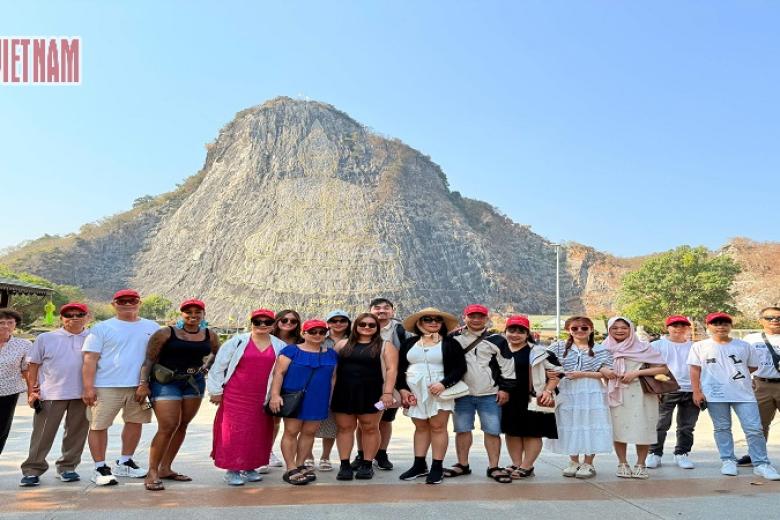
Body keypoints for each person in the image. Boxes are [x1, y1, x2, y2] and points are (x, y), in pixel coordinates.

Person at [138, 299, 220, 491]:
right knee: (168, 426)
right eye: (188, 312)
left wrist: (205, 367)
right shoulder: (166, 333)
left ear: (203, 314)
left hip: (193, 382)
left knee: (182, 424)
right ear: (181, 314)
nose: (193, 315)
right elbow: (149, 359)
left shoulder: (210, 335)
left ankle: (165, 468)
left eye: (197, 312)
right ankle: (152, 471)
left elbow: (217, 354)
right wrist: (143, 384)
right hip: (166, 381)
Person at [688, 312, 780, 480]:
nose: (721, 327)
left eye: (725, 323)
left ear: (731, 326)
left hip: (743, 394)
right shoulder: (700, 346)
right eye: (716, 323)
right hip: (715, 394)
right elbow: (695, 369)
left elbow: (752, 367)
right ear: (708, 326)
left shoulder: (744, 345)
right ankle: (728, 460)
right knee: (722, 428)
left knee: (754, 428)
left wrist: (734, 377)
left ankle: (761, 463)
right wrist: (697, 391)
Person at [81, 290, 159, 486]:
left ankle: (125, 462)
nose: (127, 304)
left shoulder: (152, 327)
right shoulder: (102, 328)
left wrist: (147, 383)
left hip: (139, 386)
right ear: (114, 304)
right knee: (98, 425)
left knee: (135, 422)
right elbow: (90, 359)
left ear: (139, 302)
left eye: (132, 300)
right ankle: (100, 467)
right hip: (106, 385)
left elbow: (158, 356)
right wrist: (88, 388)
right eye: (122, 301)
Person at [209, 309, 286, 486]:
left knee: (258, 432)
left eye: (267, 322)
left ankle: (250, 466)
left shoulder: (280, 346)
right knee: (234, 433)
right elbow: (219, 366)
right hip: (235, 395)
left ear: (273, 325)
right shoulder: (237, 342)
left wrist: (276, 395)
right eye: (257, 322)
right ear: (251, 323)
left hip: (262, 396)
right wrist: (215, 391)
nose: (262, 325)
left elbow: (281, 372)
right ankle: (232, 469)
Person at [20, 303, 90, 487]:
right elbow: (33, 364)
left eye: (79, 314)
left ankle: (67, 467)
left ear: (87, 317)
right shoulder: (46, 338)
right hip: (50, 393)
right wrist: (32, 391)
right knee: (42, 434)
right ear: (61, 318)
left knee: (76, 434)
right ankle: (32, 470)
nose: (74, 318)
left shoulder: (94, 338)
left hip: (83, 394)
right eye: (69, 315)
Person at [444, 304, 516, 484]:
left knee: (492, 431)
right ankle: (462, 464)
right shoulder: (454, 337)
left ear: (486, 319)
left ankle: (493, 467)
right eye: (472, 316)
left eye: (480, 317)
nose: (476, 320)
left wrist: (505, 389)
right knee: (462, 430)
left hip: (490, 393)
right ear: (465, 317)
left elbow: (507, 366)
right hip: (461, 393)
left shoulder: (497, 340)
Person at [396, 307, 465, 484]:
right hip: (415, 391)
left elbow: (459, 368)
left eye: (437, 319)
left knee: (438, 426)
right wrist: (403, 389)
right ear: (419, 323)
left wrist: (443, 384)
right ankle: (419, 464)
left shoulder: (450, 343)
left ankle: (437, 466)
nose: (433, 322)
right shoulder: (409, 343)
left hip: (440, 389)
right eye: (428, 319)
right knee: (420, 426)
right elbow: (400, 368)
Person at [268, 319, 339, 485]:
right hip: (294, 397)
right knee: (291, 431)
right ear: (303, 333)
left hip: (319, 398)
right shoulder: (291, 351)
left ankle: (300, 464)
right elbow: (278, 373)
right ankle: (290, 467)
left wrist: (330, 399)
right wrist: (275, 395)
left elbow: (333, 378)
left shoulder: (331, 354)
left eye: (321, 332)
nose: (317, 335)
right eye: (312, 331)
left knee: (309, 432)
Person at [332, 312, 399, 481]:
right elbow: (333, 371)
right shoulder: (342, 345)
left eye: (371, 325)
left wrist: (387, 393)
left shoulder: (386, 346)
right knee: (345, 428)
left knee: (370, 428)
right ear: (356, 326)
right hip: (343, 391)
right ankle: (344, 465)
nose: (366, 327)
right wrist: (329, 393)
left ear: (377, 327)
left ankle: (367, 464)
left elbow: (392, 370)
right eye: (362, 324)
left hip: (373, 393)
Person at [546, 316, 614, 479]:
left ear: (591, 329)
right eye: (574, 328)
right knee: (569, 423)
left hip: (591, 389)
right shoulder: (557, 347)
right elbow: (544, 364)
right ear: (568, 330)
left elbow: (607, 373)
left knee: (591, 423)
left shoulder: (601, 350)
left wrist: (582, 374)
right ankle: (574, 461)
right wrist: (550, 374)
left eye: (584, 328)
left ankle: (588, 463)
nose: (579, 331)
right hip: (567, 388)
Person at [603, 316, 669, 480]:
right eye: (615, 328)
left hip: (641, 393)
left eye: (623, 327)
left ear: (630, 329)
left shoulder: (643, 347)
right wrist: (606, 371)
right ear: (609, 330)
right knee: (618, 428)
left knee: (643, 427)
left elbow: (663, 369)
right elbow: (597, 367)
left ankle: (641, 463)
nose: (619, 330)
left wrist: (636, 373)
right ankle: (622, 463)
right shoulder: (604, 348)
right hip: (615, 393)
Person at [499, 315, 560, 480]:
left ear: (527, 334)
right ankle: (516, 463)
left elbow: (557, 373)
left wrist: (547, 391)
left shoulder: (539, 352)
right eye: (512, 330)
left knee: (532, 433)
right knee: (511, 432)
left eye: (520, 331)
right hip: (507, 398)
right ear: (505, 332)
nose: (515, 335)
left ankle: (527, 466)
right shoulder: (499, 351)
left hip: (531, 398)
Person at [355, 297, 409, 471]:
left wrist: (402, 386)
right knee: (364, 421)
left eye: (386, 308)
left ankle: (381, 453)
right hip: (364, 383)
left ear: (393, 311)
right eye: (377, 308)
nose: (382, 311)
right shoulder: (361, 328)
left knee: (385, 419)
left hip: (391, 384)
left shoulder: (400, 330)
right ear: (370, 311)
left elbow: (406, 358)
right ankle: (362, 453)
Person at [646, 315, 699, 470]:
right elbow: (648, 366)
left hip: (690, 389)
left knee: (687, 426)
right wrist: (654, 389)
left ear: (688, 328)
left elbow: (700, 369)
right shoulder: (657, 345)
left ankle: (682, 453)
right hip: (666, 389)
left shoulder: (694, 347)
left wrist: (699, 390)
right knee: (660, 423)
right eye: (675, 326)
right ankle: (654, 453)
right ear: (668, 328)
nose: (679, 329)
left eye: (683, 326)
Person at [302, 310, 350, 472]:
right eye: (334, 320)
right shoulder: (319, 337)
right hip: (317, 385)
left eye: (342, 320)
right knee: (308, 424)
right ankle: (307, 456)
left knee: (331, 424)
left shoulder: (353, 339)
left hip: (344, 385)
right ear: (328, 323)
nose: (338, 323)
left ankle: (325, 457)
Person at [737, 306, 780, 467]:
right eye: (769, 318)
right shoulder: (750, 339)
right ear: (760, 321)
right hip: (761, 385)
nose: (775, 320)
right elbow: (741, 361)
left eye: (778, 318)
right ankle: (755, 455)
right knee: (758, 424)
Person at [262, 309, 303, 471]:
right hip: (265, 382)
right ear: (277, 321)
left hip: (290, 385)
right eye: (284, 320)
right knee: (264, 420)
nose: (288, 323)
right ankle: (261, 452)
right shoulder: (266, 337)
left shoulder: (301, 341)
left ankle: (268, 452)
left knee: (278, 420)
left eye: (293, 321)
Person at [0, 308, 31, 455]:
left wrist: (32, 391)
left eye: (10, 322)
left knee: (2, 428)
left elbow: (26, 370)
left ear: (15, 324)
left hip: (9, 392)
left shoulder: (24, 345)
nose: (5, 326)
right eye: (1, 322)